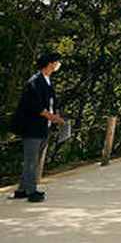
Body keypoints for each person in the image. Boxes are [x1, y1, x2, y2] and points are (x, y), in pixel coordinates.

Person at [9, 52, 65, 202]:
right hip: (32, 127)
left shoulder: (47, 81)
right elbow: (36, 107)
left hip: (43, 127)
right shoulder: (35, 82)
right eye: (57, 62)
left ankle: (22, 189)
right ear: (51, 63)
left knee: (34, 159)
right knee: (31, 160)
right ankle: (31, 192)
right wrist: (55, 118)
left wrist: (57, 114)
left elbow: (52, 102)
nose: (58, 65)